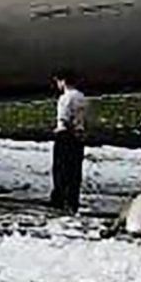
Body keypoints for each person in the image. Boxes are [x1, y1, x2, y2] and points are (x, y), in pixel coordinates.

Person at [50, 69, 87, 212]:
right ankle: (73, 200)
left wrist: (63, 128)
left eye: (58, 81)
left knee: (61, 168)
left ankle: (59, 198)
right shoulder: (82, 97)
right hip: (79, 136)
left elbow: (64, 118)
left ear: (63, 81)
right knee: (75, 170)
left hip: (65, 135)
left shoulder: (65, 98)